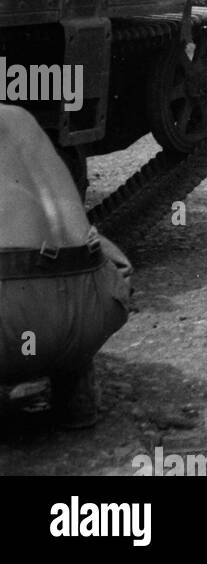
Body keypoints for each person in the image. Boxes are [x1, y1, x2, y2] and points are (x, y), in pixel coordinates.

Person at [0, 105, 132, 428]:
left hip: (12, 316)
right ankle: (74, 389)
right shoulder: (21, 117)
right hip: (94, 308)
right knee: (70, 261)